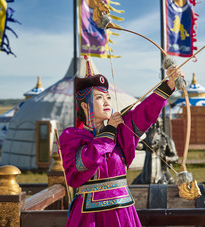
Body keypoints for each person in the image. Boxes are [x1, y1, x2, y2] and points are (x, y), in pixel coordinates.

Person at [59, 56, 184, 227]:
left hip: (123, 212)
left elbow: (144, 112)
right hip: (89, 216)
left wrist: (169, 85)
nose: (106, 102)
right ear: (84, 105)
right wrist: (109, 131)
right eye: (98, 98)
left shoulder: (120, 130)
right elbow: (82, 164)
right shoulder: (71, 136)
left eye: (108, 98)